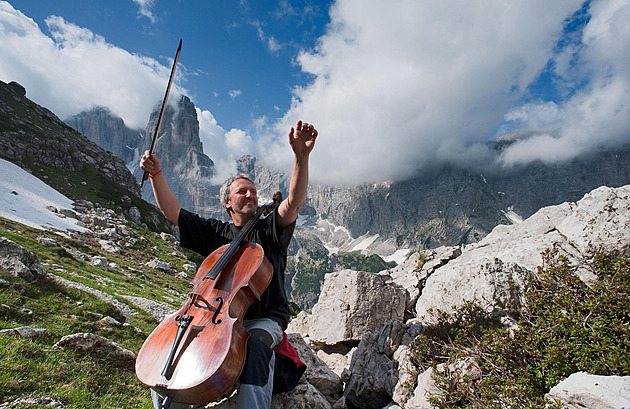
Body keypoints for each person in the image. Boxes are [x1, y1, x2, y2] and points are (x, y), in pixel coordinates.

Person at [139, 120, 317, 409]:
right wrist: (156, 174)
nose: (250, 195)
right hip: (214, 318)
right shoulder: (216, 233)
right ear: (227, 203)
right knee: (176, 344)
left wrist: (301, 157)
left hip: (263, 319)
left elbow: (293, 202)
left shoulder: (270, 228)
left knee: (257, 346)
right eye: (242, 192)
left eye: (253, 192)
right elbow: (173, 212)